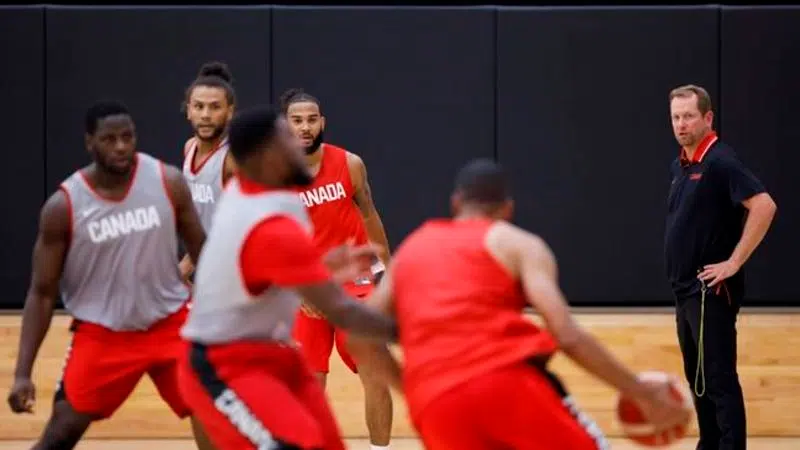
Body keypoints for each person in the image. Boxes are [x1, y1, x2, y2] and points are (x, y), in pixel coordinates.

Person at [348, 159, 692, 450]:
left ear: (455, 203)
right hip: (502, 383)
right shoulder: (515, 243)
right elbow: (566, 335)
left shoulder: (411, 251)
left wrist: (412, 389)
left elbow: (358, 336)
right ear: (507, 208)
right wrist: (638, 390)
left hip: (435, 404)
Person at [177, 104, 397, 450]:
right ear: (265, 156)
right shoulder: (265, 220)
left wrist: (324, 267)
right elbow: (337, 307)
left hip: (269, 353)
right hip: (222, 365)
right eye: (286, 137)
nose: (300, 139)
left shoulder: (272, 196)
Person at [6, 100, 210, 450]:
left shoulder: (167, 182)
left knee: (216, 411)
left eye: (127, 137)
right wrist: (23, 373)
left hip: (170, 324)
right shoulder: (64, 206)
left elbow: (205, 253)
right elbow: (41, 293)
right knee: (61, 432)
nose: (120, 147)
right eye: (109, 139)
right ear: (90, 142)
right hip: (104, 334)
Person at [279, 88, 393, 450]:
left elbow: (369, 214)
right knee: (308, 384)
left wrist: (387, 272)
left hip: (356, 281)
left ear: (322, 122)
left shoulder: (350, 164)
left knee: (375, 372)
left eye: (312, 119)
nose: (305, 127)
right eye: (297, 120)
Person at [665, 84, 777, 450]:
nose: (681, 124)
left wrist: (733, 262)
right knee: (696, 377)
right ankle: (709, 444)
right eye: (676, 117)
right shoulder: (683, 163)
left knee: (718, 378)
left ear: (707, 118)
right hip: (684, 292)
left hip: (709, 292)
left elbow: (764, 206)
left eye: (689, 116)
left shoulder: (720, 161)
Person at [178, 61, 238, 283]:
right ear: (189, 110)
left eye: (215, 107)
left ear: (230, 111)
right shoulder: (189, 147)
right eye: (199, 106)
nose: (205, 114)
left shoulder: (234, 159)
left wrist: (187, 264)